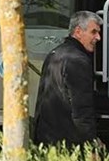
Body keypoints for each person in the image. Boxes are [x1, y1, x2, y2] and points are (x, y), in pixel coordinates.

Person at [32, 11, 103, 149]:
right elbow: (82, 110)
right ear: (78, 32)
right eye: (93, 32)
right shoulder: (78, 61)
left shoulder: (54, 54)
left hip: (47, 139)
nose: (98, 37)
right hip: (68, 144)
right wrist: (91, 144)